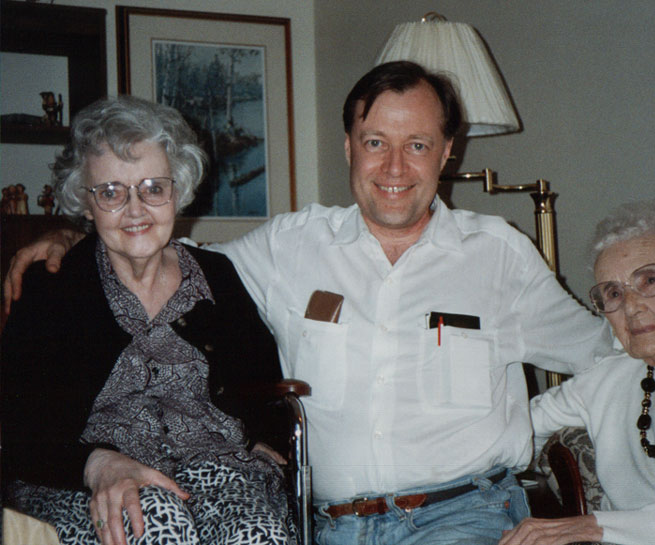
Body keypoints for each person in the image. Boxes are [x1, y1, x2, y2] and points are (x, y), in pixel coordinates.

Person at [3, 62, 611, 545]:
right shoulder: (291, 245)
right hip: (332, 527)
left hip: (462, 519)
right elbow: (153, 246)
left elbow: (607, 354)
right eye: (376, 141)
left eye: (417, 145)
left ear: (448, 151)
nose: (394, 167)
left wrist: (531, 426)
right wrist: (69, 240)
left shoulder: (499, 254)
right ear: (348, 147)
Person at [1, 96, 296, 545]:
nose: (136, 210)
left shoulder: (216, 275)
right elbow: (15, 423)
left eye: (153, 188)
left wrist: (262, 439)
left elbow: (263, 381)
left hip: (215, 471)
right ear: (85, 202)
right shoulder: (52, 287)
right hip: (86, 479)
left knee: (259, 534)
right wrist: (95, 462)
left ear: (177, 190)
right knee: (155, 518)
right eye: (112, 192)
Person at [498, 200, 655, 545]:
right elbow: (501, 439)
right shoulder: (607, 377)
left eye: (649, 280)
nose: (631, 307)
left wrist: (594, 526)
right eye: (613, 293)